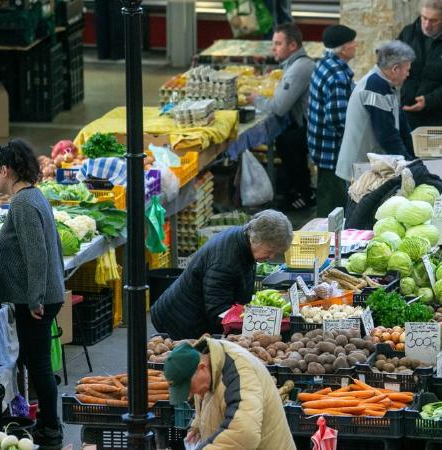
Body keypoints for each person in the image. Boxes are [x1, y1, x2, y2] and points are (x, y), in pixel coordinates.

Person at [0, 140, 65, 449]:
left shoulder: (22, 203)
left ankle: (50, 428)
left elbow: (37, 254)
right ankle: (43, 421)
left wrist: (35, 298)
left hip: (36, 300)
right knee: (36, 361)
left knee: (39, 365)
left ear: (6, 171)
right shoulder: (34, 196)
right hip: (43, 295)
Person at [151, 210, 293, 340]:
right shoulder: (225, 263)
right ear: (255, 239)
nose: (272, 256)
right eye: (269, 250)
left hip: (194, 311)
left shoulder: (243, 238)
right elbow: (218, 310)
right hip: (178, 320)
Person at [166, 337, 296, 450]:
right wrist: (197, 426)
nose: (190, 394)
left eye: (189, 388)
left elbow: (245, 434)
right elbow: (209, 402)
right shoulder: (205, 363)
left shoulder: (239, 374)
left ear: (201, 368)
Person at [247, 23, 315, 210]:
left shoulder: (299, 68)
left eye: (278, 44)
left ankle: (302, 193)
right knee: (286, 138)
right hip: (305, 123)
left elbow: (278, 107)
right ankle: (293, 188)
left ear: (292, 46)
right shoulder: (296, 64)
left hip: (313, 128)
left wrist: (255, 99)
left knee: (287, 141)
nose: (273, 48)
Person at [335, 40, 416, 183]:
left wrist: (412, 159)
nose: (408, 74)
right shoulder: (375, 87)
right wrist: (409, 165)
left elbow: (401, 125)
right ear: (395, 69)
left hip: (368, 166)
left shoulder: (385, 84)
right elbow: (387, 135)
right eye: (407, 70)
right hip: (360, 169)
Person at [307, 24, 357, 217]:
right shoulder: (337, 75)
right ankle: (328, 241)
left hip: (319, 144)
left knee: (326, 191)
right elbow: (337, 119)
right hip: (332, 150)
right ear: (343, 49)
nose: (356, 45)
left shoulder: (324, 63)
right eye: (352, 43)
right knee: (333, 204)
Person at [398, 0, 442, 133]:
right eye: (424, 18)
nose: (427, 24)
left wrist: (428, 101)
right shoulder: (408, 33)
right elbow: (393, 64)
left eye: (433, 20)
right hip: (408, 116)